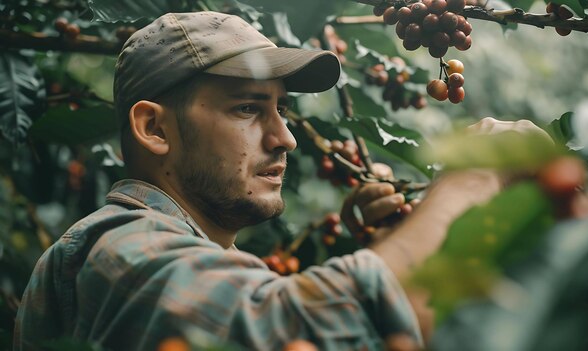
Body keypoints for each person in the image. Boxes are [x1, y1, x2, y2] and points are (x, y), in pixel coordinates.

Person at [13, 11, 505, 351]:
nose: (286, 138)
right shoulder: (116, 250)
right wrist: (472, 181)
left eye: (282, 109)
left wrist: (400, 249)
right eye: (248, 108)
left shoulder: (180, 257)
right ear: (154, 129)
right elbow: (292, 330)